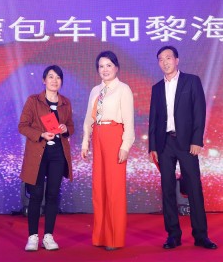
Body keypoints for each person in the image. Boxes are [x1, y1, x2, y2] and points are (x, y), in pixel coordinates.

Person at [148, 46, 217, 250]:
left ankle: (201, 235)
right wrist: (153, 146)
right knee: (167, 189)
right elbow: (154, 119)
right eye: (161, 59)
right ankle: (173, 235)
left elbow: (199, 112)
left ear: (177, 60)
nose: (165, 62)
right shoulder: (156, 88)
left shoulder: (191, 81)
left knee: (194, 188)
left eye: (168, 58)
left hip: (187, 143)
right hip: (164, 144)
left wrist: (197, 140)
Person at [81, 50, 135, 251]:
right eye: (101, 66)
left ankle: (114, 238)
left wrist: (125, 146)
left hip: (114, 136)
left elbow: (129, 121)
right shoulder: (95, 90)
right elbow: (89, 118)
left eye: (108, 65)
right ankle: (100, 236)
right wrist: (85, 142)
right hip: (98, 137)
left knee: (114, 189)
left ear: (116, 67)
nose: (105, 70)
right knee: (99, 188)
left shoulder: (123, 89)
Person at [18, 65, 74, 252]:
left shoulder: (65, 103)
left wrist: (65, 129)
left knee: (52, 195)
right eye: (51, 77)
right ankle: (33, 236)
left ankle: (48, 236)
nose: (54, 80)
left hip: (58, 154)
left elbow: (71, 127)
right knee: (36, 195)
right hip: (38, 154)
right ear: (44, 80)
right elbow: (23, 126)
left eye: (58, 77)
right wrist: (41, 134)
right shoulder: (33, 100)